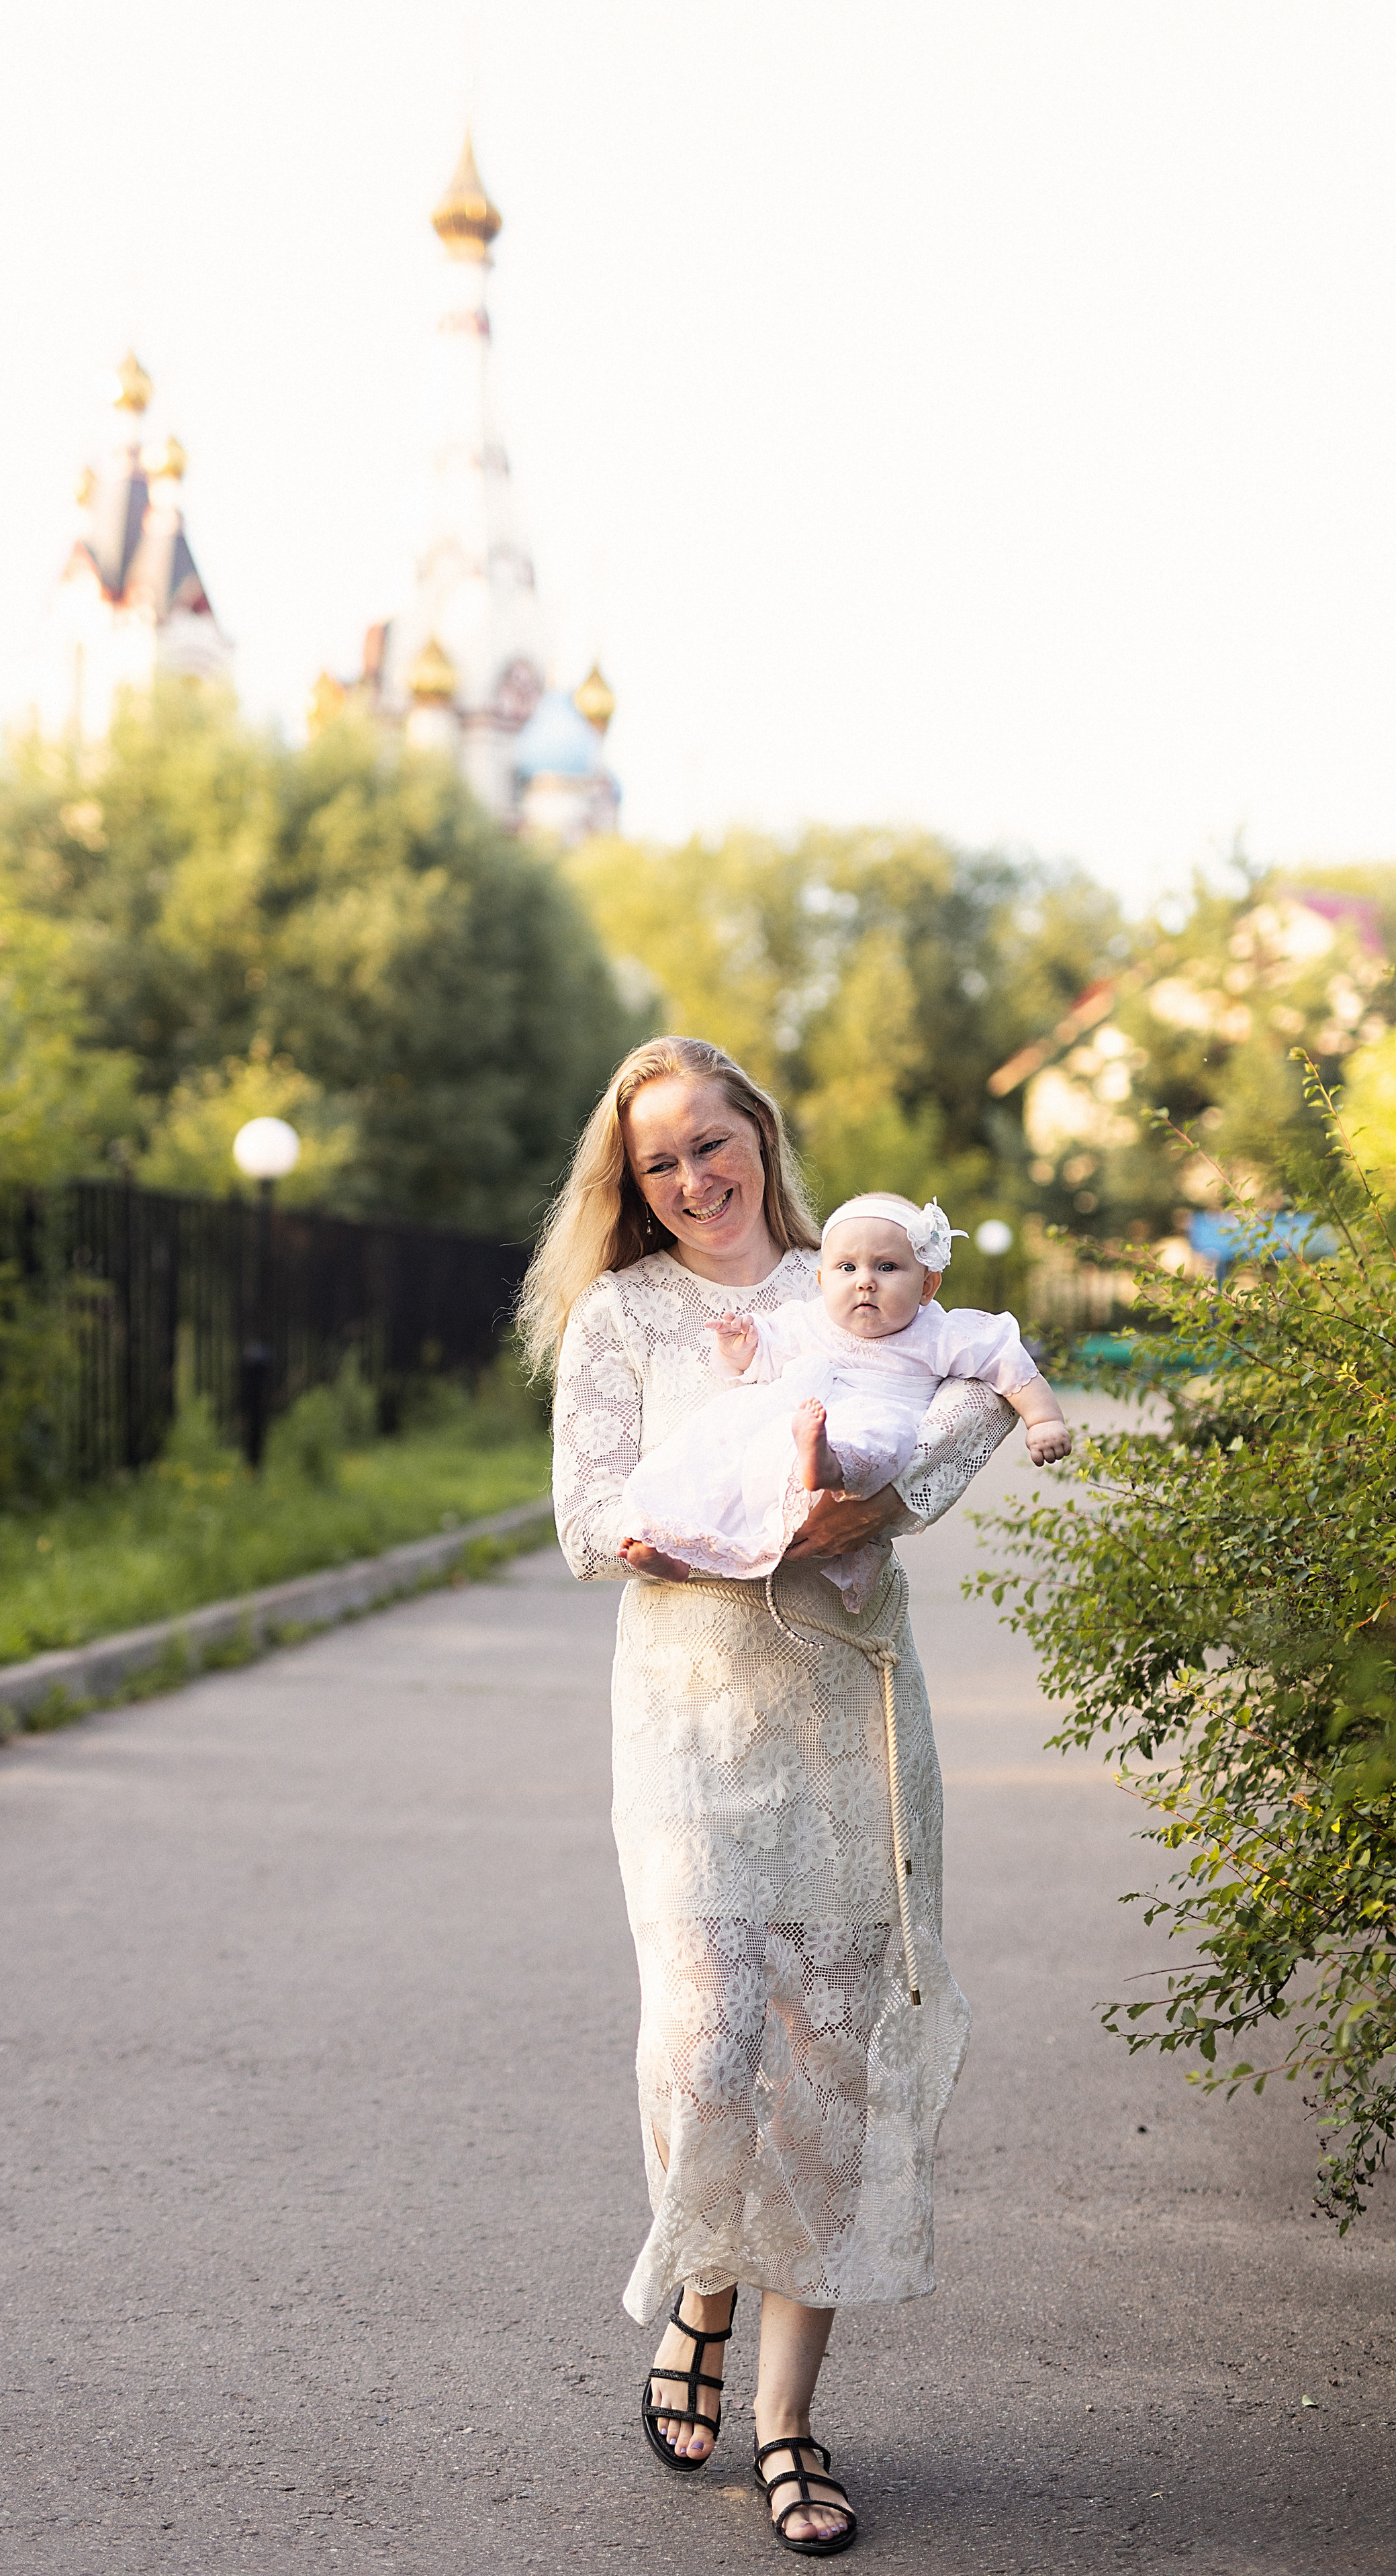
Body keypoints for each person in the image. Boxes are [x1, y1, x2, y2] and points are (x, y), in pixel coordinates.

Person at [518, 1036, 1025, 2559]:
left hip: (843, 1710)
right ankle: (698, 2289)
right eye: (657, 1159)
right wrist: (743, 1532)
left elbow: (980, 1398)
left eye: (708, 1141)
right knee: (704, 2036)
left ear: (758, 1134)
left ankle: (785, 2424)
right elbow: (587, 1518)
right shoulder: (617, 1315)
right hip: (687, 1721)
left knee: (825, 2062)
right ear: (633, 1183)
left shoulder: (853, 1271)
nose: (690, 1176)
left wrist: (870, 1500)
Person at [618, 1189, 1070, 1610]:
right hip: (796, 1431)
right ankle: (675, 1551)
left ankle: (829, 1463)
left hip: (873, 1424)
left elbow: (1005, 1359)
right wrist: (742, 1346)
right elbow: (767, 1350)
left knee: (887, 1437)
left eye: (887, 1267)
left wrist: (1044, 1420)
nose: (865, 1282)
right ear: (821, 1279)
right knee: (727, 1455)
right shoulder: (811, 1321)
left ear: (928, 1286)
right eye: (847, 1268)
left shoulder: (936, 1330)